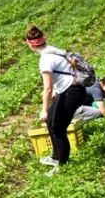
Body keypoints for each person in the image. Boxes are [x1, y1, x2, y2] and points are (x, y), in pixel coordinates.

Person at [25, 26, 87, 174]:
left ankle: (62, 165)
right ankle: (55, 156)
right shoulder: (53, 50)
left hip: (72, 93)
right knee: (51, 121)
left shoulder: (45, 60)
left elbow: (47, 89)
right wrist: (55, 92)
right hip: (70, 90)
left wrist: (44, 110)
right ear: (44, 39)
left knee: (58, 129)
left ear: (29, 44)